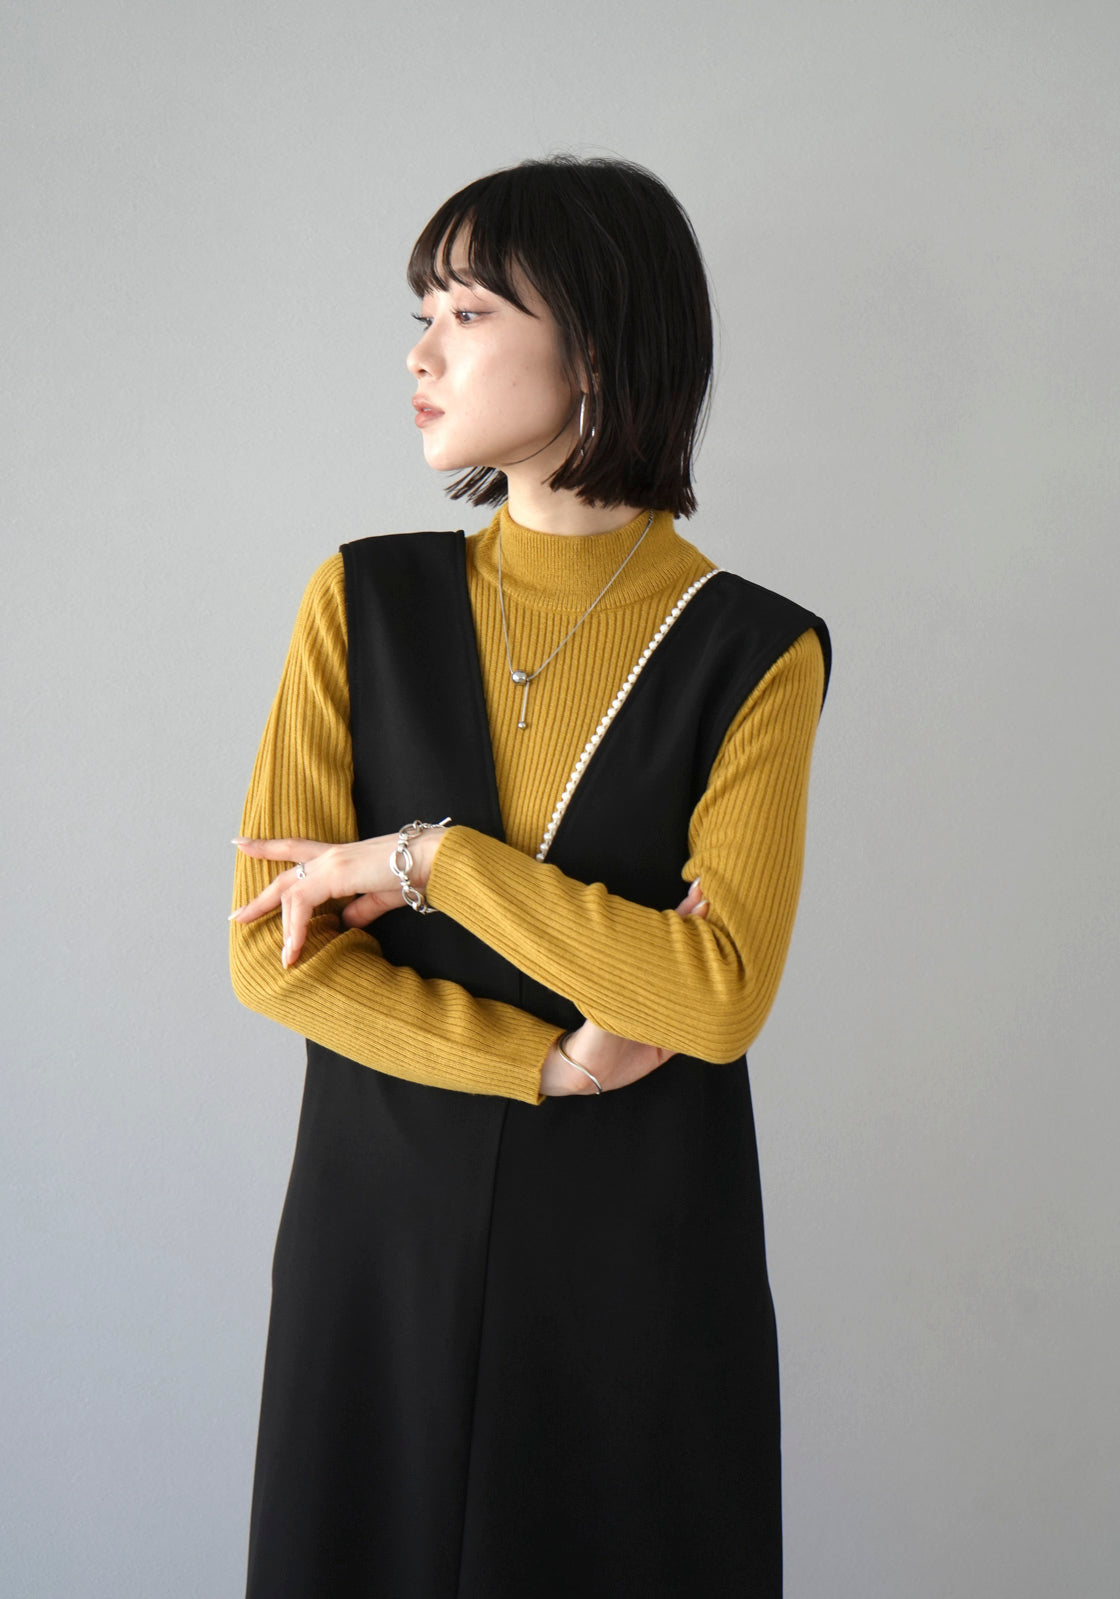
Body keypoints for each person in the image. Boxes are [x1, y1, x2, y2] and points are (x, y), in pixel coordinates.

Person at [229, 154, 831, 1599]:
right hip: (380, 1244)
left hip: (634, 1264)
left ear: (599, 354)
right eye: (423, 314)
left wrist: (428, 862)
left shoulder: (756, 650)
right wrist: (546, 1064)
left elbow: (717, 995)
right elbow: (273, 952)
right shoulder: (362, 599)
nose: (423, 354)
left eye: (471, 312)